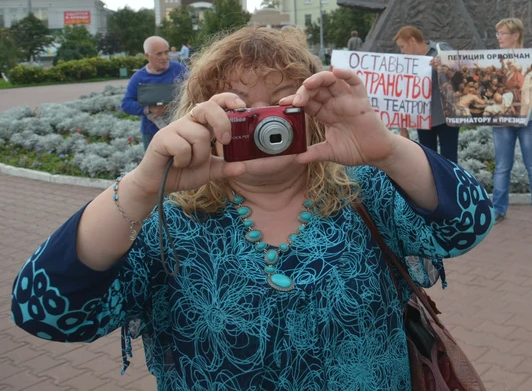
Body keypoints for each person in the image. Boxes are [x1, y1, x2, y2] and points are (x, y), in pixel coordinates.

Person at [11, 26, 494, 388]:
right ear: (201, 116)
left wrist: (386, 147)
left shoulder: (363, 190)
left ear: (313, 108)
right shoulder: (165, 219)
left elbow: (467, 225)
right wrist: (141, 187)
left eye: (280, 104)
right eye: (238, 108)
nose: (265, 125)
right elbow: (45, 311)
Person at [490, 18, 532, 225]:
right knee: (502, 166)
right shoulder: (493, 59)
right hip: (502, 120)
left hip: (530, 119)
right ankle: (498, 209)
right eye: (498, 33)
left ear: (515, 35)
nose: (499, 37)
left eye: (503, 33)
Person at [394, 26, 460, 162]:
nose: (402, 51)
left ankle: (450, 183)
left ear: (412, 40)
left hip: (446, 116)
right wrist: (402, 127)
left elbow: (460, 73)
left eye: (402, 46)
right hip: (423, 119)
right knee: (428, 160)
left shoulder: (441, 49)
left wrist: (442, 67)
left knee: (449, 160)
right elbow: (401, 92)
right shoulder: (405, 62)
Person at [122, 36, 188, 150]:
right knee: (156, 167)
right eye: (159, 54)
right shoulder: (139, 77)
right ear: (147, 56)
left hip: (180, 129)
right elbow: (126, 104)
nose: (164, 57)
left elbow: (194, 89)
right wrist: (150, 109)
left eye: (166, 52)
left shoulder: (179, 69)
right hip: (151, 133)